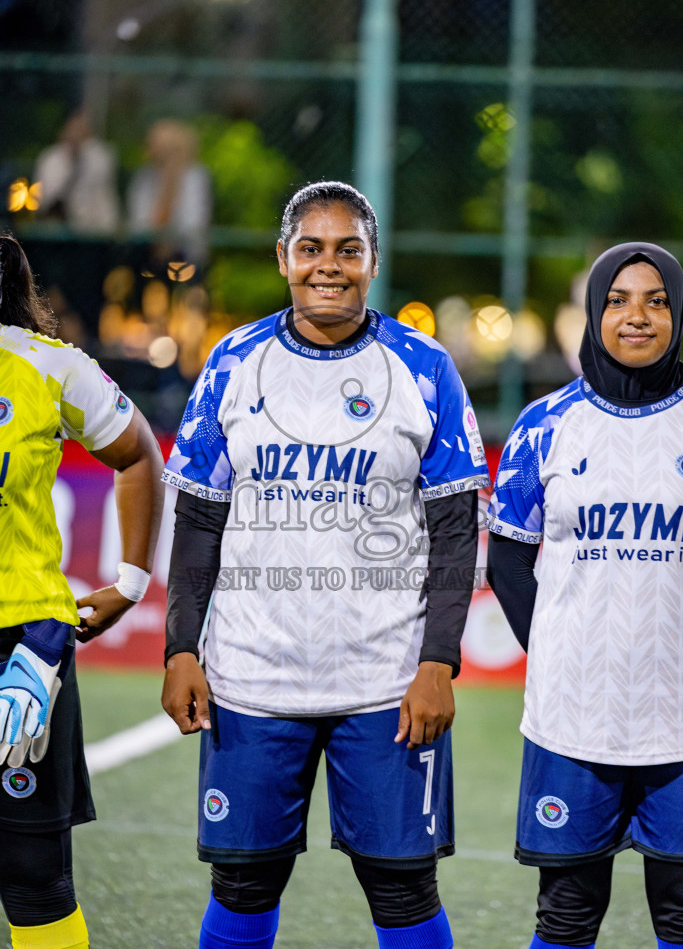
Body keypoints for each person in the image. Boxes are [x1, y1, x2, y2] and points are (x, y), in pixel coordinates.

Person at [161, 180, 489, 949]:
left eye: (348, 249)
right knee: (242, 882)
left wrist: (439, 661)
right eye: (310, 249)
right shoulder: (233, 359)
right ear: (283, 259)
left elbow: (454, 529)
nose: (327, 266)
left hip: (384, 683)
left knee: (402, 889)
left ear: (372, 262)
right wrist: (180, 647)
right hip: (250, 678)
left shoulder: (424, 366)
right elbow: (199, 518)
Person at [486, 242, 683, 949]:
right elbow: (508, 561)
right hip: (573, 720)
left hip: (678, 720)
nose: (637, 317)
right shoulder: (544, 423)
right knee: (566, 916)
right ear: (593, 312)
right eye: (617, 300)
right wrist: (558, 652)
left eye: (656, 301)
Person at [0, 233, 164, 949]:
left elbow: (137, 455)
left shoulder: (47, 365)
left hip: (23, 646)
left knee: (33, 874)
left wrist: (130, 582)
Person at [126, 118, 212, 282]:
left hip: (185, 253)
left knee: (174, 261)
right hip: (148, 251)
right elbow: (139, 224)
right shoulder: (144, 177)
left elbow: (193, 223)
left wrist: (171, 183)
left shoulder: (196, 177)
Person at [33, 109, 120, 234]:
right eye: (74, 127)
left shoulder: (102, 157)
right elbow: (46, 200)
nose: (77, 133)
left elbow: (106, 197)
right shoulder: (50, 159)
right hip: (59, 233)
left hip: (97, 233)